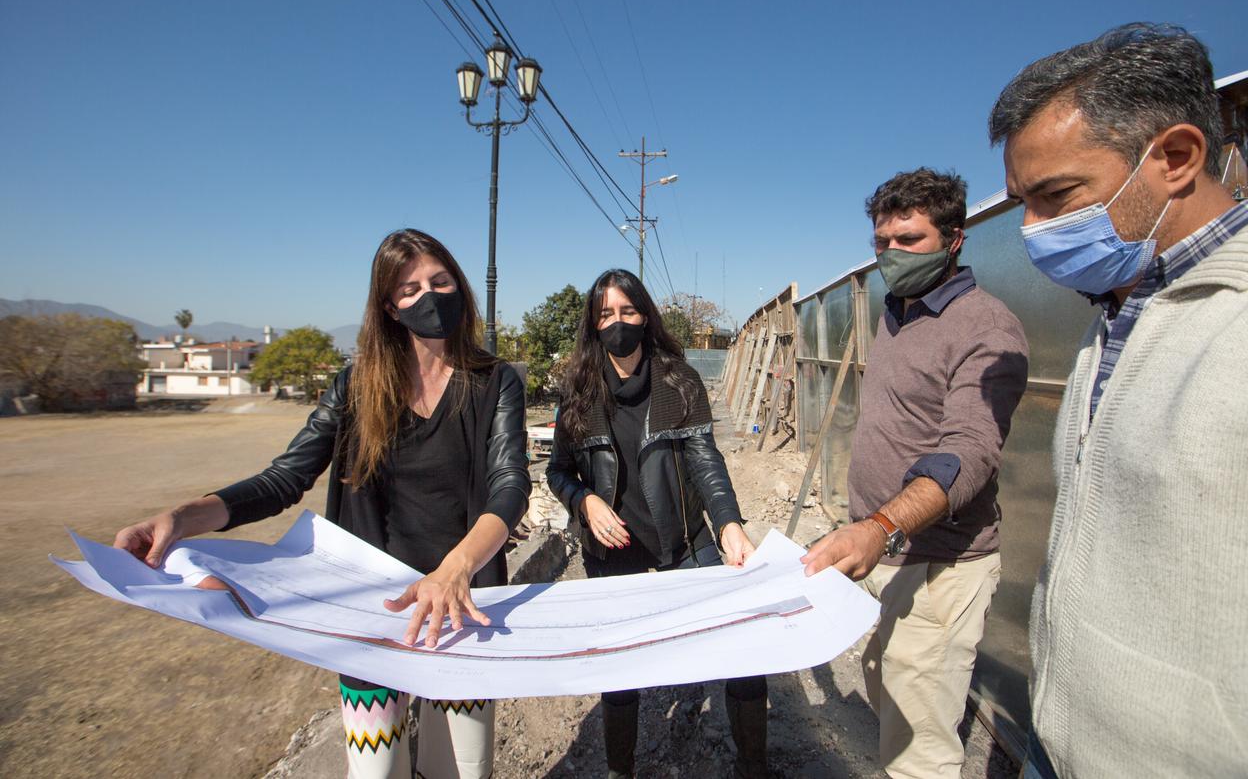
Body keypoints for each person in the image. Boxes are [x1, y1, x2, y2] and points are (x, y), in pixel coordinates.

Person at [113, 229, 530, 779]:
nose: (428, 297)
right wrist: (182, 518)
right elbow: (285, 479)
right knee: (376, 769)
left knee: (460, 768)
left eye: (440, 282)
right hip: (368, 609)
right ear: (390, 307)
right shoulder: (356, 385)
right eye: (410, 290)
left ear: (460, 286)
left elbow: (509, 485)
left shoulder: (496, 381)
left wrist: (456, 568)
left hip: (462, 604)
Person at [987, 22, 1248, 777]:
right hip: (1062, 746)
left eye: (1056, 196)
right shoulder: (1122, 306)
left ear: (1175, 157)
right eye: (1022, 203)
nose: (1031, 230)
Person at [801, 169, 1029, 779]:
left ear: (954, 240)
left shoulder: (986, 327)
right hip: (890, 552)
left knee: (917, 754)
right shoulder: (897, 312)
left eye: (909, 240)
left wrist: (880, 526)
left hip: (939, 566)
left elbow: (969, 452)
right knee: (886, 689)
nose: (892, 254)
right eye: (882, 242)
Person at [545, 268, 767, 779]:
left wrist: (729, 524)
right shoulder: (578, 390)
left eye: (627, 311)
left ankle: (753, 766)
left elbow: (705, 460)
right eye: (606, 314)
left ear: (645, 316)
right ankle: (620, 770)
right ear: (593, 323)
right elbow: (557, 471)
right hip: (612, 548)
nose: (617, 322)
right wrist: (585, 502)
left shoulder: (677, 380)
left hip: (683, 537)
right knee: (620, 668)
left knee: (742, 645)